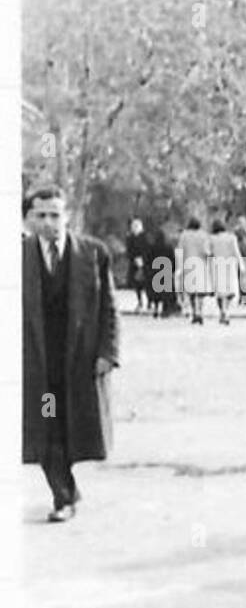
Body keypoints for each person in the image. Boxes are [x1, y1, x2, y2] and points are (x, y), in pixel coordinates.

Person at [22, 186, 120, 521]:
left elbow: (109, 306)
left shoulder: (93, 254)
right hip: (39, 364)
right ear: (30, 219)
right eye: (41, 215)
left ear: (68, 216)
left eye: (55, 214)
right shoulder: (18, 257)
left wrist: (108, 352)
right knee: (47, 424)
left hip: (78, 360)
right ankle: (62, 495)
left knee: (73, 423)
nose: (49, 222)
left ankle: (68, 486)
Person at [176, 216, 211, 324]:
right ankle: (199, 311)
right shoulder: (204, 235)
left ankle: (194, 312)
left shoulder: (184, 236)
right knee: (200, 291)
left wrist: (178, 267)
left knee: (191, 291)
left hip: (188, 264)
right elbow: (207, 251)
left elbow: (179, 251)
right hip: (201, 264)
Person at [208, 219, 241, 325]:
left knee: (220, 291)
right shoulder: (232, 237)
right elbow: (236, 252)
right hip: (229, 264)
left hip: (217, 264)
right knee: (230, 290)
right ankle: (226, 310)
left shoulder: (211, 239)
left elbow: (208, 252)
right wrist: (242, 265)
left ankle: (223, 310)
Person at [125, 217, 149, 313]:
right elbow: (129, 250)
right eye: (133, 226)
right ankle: (140, 302)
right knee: (136, 284)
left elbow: (147, 249)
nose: (134, 228)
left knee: (146, 283)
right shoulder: (130, 237)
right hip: (134, 263)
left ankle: (149, 302)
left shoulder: (144, 237)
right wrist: (134, 259)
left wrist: (143, 259)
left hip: (144, 263)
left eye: (136, 226)